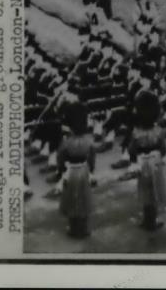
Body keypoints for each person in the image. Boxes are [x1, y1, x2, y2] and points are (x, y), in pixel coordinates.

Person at [129, 89, 166, 231]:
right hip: (156, 162)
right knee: (155, 191)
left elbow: (132, 151)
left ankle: (147, 219)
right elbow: (164, 149)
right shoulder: (158, 131)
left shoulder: (136, 132)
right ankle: (154, 220)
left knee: (145, 192)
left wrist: (135, 161)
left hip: (142, 162)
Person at [57, 101, 96, 238]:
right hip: (84, 170)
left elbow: (60, 159)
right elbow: (92, 159)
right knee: (84, 200)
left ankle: (73, 229)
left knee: (72, 200)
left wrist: (62, 171)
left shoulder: (66, 142)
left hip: (71, 171)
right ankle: (84, 229)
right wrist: (91, 171)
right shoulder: (89, 141)